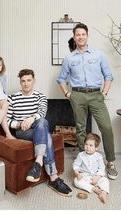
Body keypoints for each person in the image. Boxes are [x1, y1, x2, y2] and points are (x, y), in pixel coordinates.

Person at [57, 23, 118, 180]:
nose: (80, 37)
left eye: (83, 34)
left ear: (87, 36)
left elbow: (108, 76)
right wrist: (68, 93)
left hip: (96, 95)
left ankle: (110, 162)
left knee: (106, 127)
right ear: (74, 37)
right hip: (77, 95)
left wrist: (104, 93)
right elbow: (62, 79)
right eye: (78, 35)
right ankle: (83, 161)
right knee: (80, 129)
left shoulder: (98, 55)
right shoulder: (69, 58)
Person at [7, 69, 72, 197]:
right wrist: (19, 124)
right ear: (20, 82)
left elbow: (42, 113)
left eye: (29, 80)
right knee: (45, 133)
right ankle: (53, 179)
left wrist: (31, 119)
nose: (26, 84)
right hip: (22, 132)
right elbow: (8, 120)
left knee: (42, 123)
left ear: (34, 81)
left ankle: (39, 163)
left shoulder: (40, 97)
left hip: (38, 128)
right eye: (23, 81)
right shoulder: (12, 98)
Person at [73, 133, 109, 204]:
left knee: (105, 181)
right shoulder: (81, 155)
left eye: (91, 145)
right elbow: (75, 165)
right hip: (85, 177)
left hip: (95, 177)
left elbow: (102, 168)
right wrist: (77, 173)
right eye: (86, 144)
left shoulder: (99, 156)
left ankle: (103, 193)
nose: (87, 147)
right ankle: (94, 189)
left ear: (96, 147)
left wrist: (97, 177)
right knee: (76, 181)